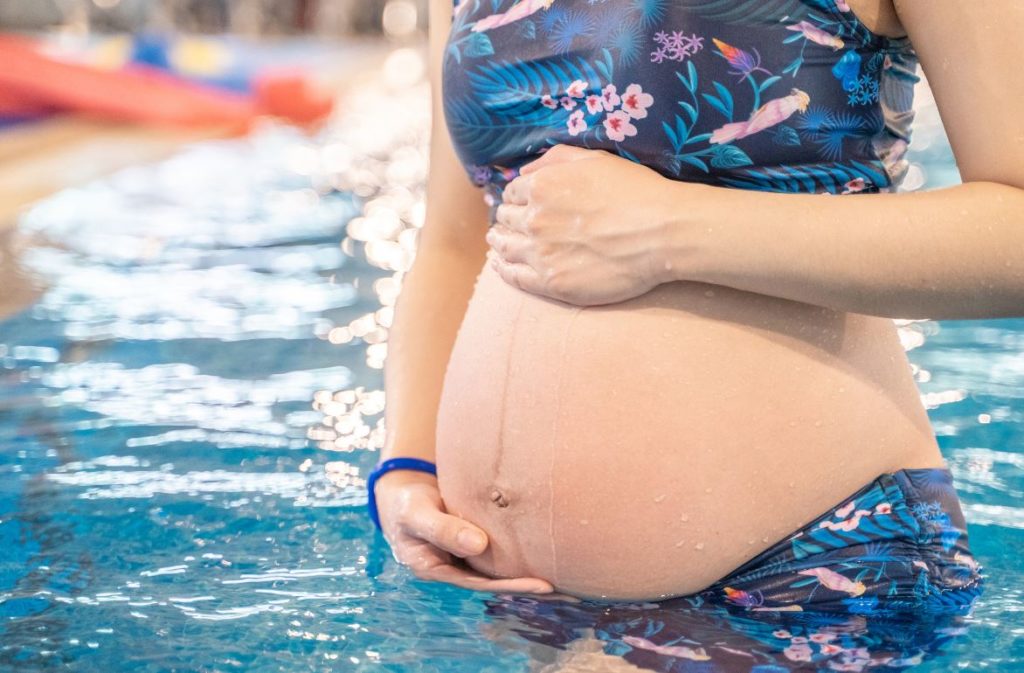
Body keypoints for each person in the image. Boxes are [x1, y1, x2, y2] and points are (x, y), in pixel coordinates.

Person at [371, 0, 1015, 612]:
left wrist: (669, 230)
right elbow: (455, 244)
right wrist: (407, 468)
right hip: (501, 595)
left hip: (800, 575)